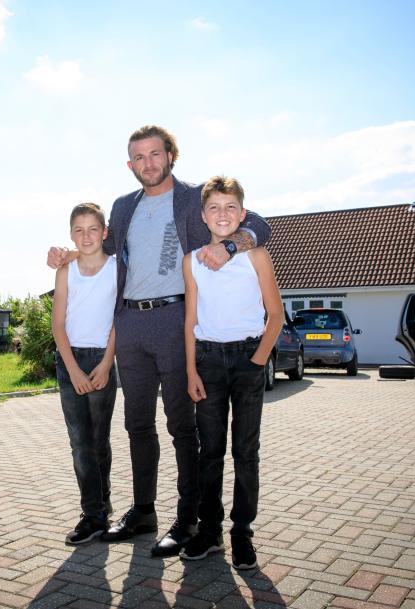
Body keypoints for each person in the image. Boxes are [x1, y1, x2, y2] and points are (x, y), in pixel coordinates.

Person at [47, 125, 272, 557]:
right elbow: (98, 246)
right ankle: (143, 510)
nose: (147, 163)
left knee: (181, 426)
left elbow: (257, 221)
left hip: (174, 319)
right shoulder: (123, 206)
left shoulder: (193, 197)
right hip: (130, 323)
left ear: (171, 154)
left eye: (155, 154)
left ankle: (188, 519)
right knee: (136, 425)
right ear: (130, 164)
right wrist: (67, 254)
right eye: (138, 157)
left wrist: (231, 247)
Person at [179, 176, 283, 570]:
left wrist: (257, 362)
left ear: (243, 213)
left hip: (247, 362)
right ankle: (210, 532)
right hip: (207, 362)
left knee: (245, 450)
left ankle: (242, 532)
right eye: (214, 208)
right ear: (203, 215)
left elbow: (275, 315)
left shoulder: (257, 256)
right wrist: (191, 370)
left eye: (230, 208)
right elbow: (190, 321)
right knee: (211, 452)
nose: (222, 215)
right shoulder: (191, 261)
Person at [52, 202, 119, 545]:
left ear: (105, 232)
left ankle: (102, 504)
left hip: (103, 358)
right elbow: (58, 325)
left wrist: (107, 363)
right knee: (80, 443)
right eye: (78, 230)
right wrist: (73, 370)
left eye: (93, 228)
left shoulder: (117, 269)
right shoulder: (66, 270)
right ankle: (92, 514)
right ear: (70, 235)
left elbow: (119, 321)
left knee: (99, 440)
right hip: (70, 360)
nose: (86, 236)